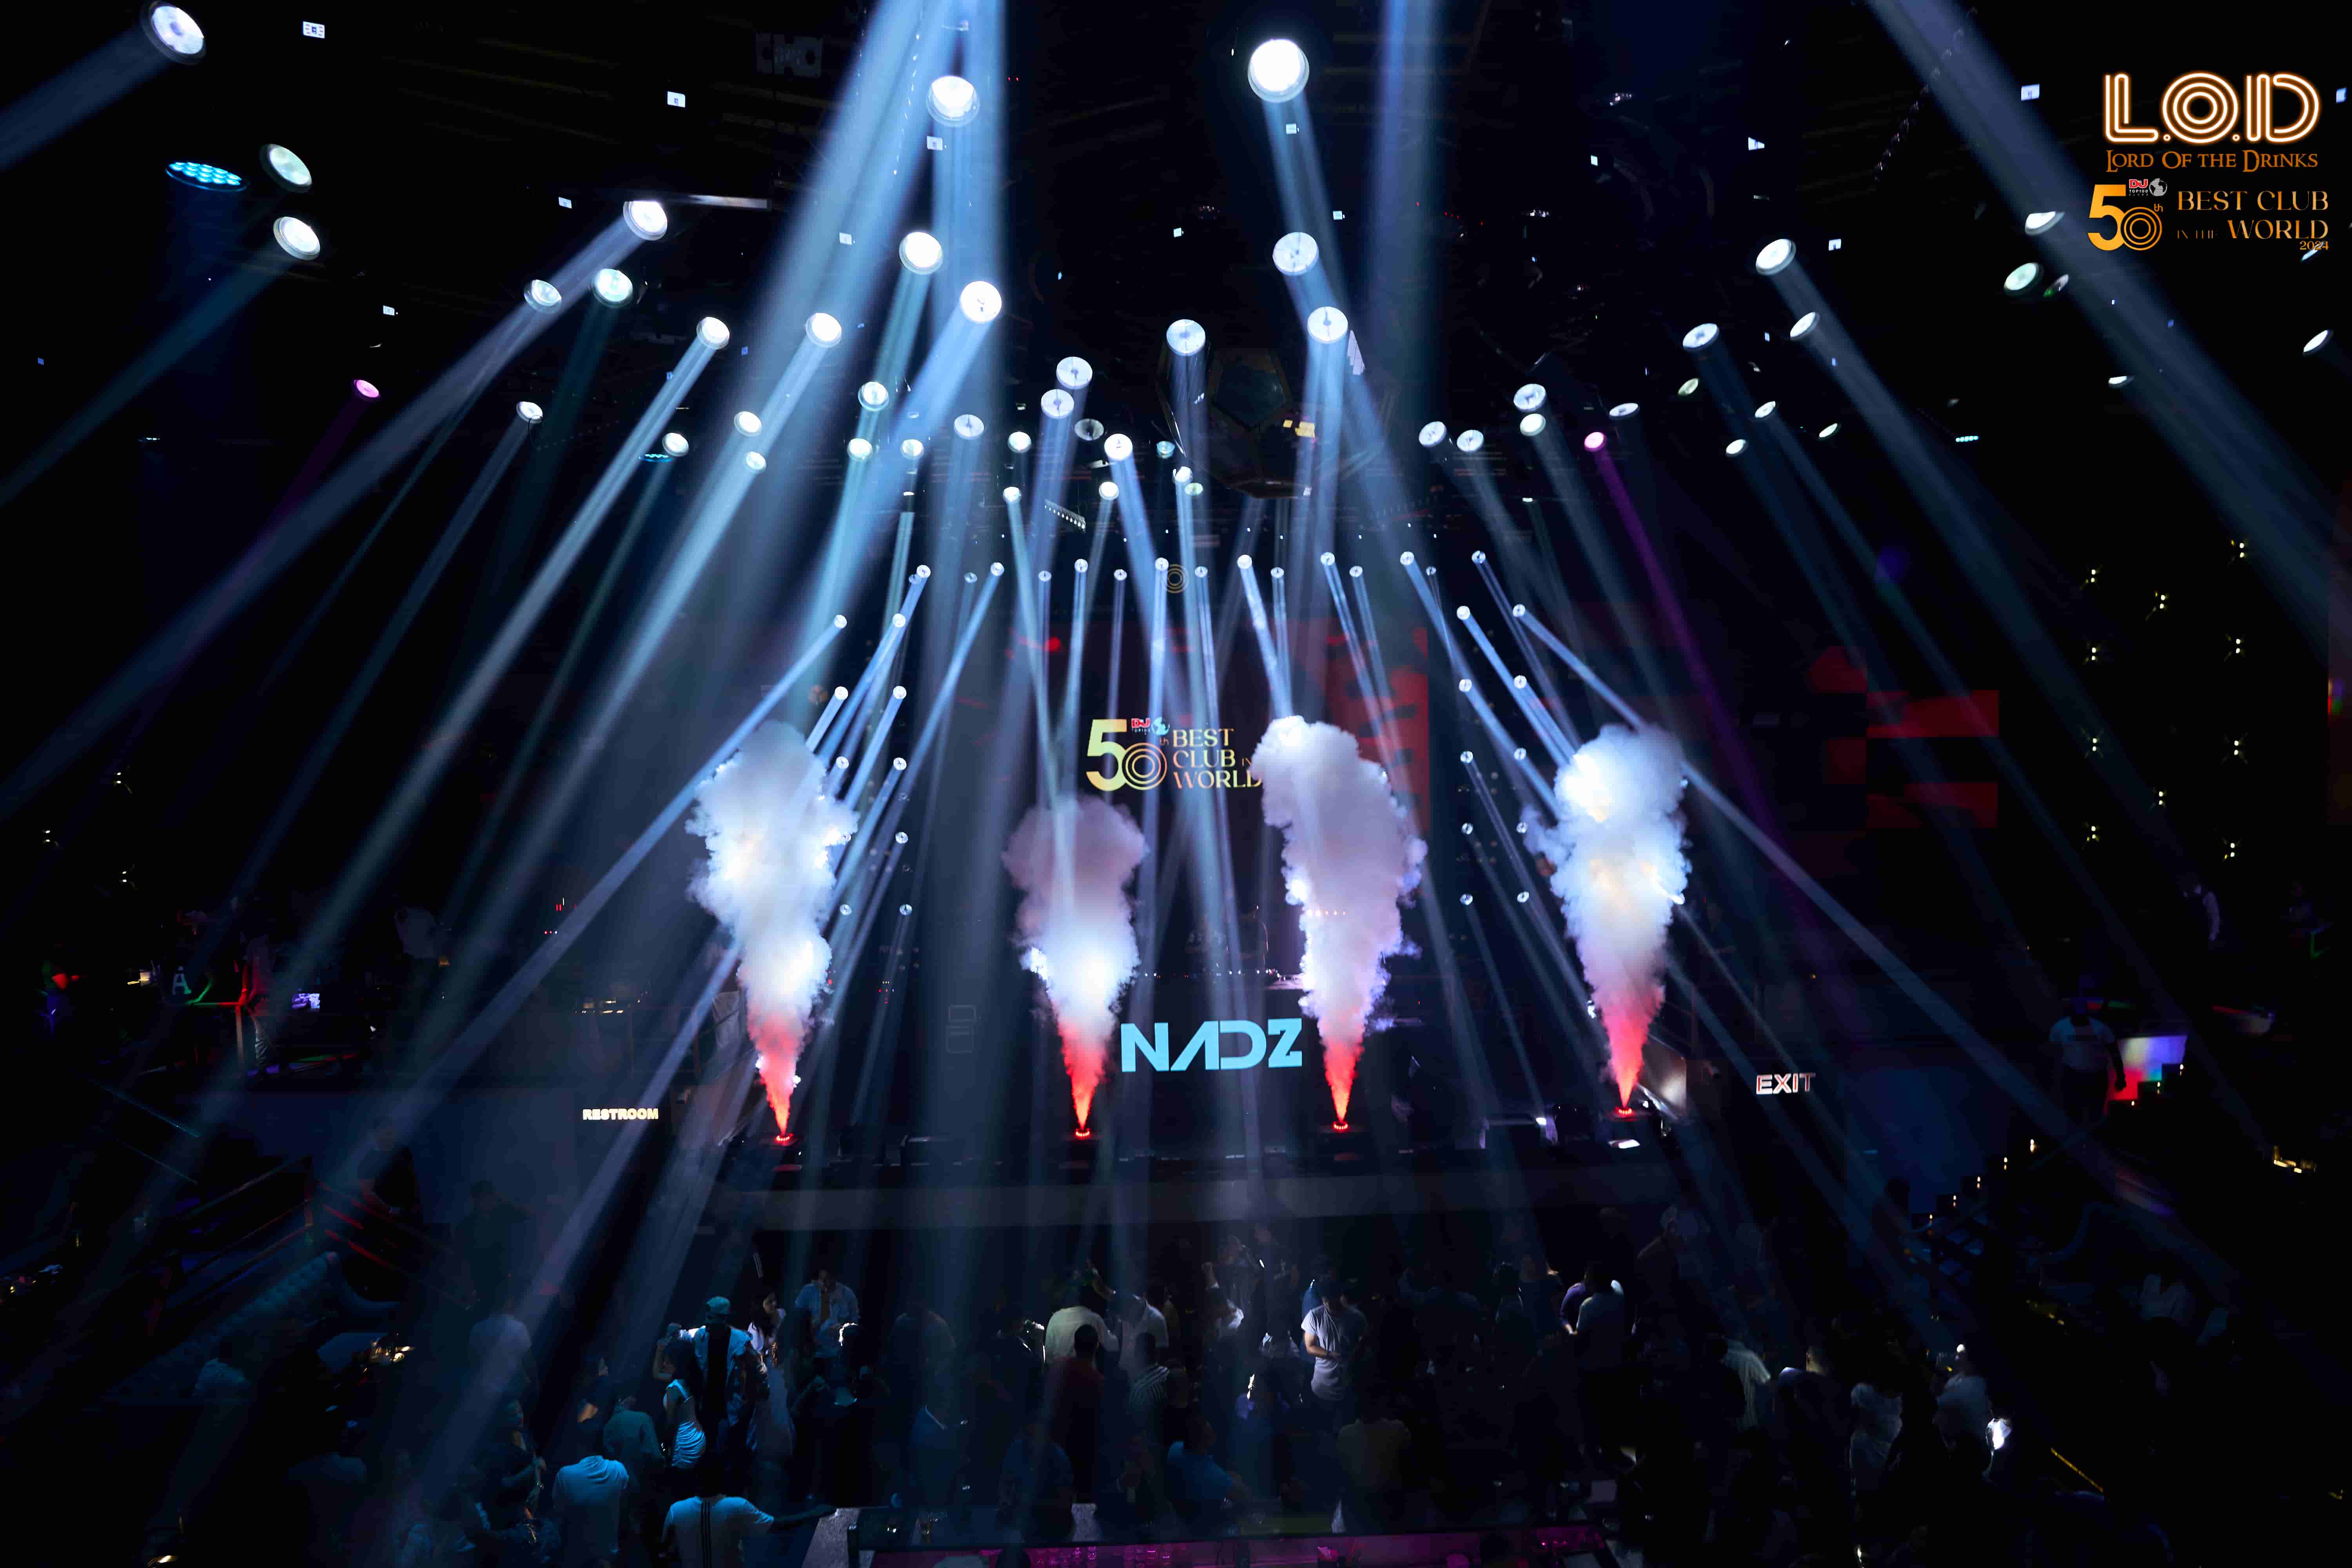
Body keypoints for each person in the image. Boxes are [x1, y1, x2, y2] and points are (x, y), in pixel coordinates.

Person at [661, 1465, 773, 1568]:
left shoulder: (676, 1510)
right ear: (723, 1480)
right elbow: (772, 1525)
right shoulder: (737, 1506)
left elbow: (664, 1552)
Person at [549, 1440, 631, 1568]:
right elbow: (627, 1509)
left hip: (574, 1558)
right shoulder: (618, 1469)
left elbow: (559, 1518)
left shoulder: (565, 1474)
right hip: (609, 1558)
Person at [1047, 1322, 1106, 1493]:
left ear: (1074, 1345)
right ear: (1096, 1348)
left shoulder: (1058, 1367)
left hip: (1055, 1443)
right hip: (1083, 1450)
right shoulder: (1099, 1382)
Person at [999, 1414, 1077, 1541]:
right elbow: (1004, 1485)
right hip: (1023, 1519)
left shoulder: (1059, 1458)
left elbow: (1066, 1501)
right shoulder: (1016, 1451)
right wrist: (1006, 1504)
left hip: (1051, 1521)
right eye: (1030, 1433)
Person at [456, 1180, 534, 1306]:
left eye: (491, 1197)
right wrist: (469, 1289)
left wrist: (504, 1202)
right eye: (484, 1197)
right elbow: (463, 1260)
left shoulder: (503, 1215)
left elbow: (529, 1214)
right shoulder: (466, 1227)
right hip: (482, 1281)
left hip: (506, 1278)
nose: (489, 1201)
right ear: (476, 1200)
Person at [1166, 1412, 1252, 1525]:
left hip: (1178, 1516)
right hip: (1201, 1525)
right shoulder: (1210, 1473)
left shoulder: (1175, 1448)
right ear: (1203, 1442)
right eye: (1210, 1433)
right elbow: (1243, 1495)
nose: (1215, 1435)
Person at [1301, 1279, 1367, 1419]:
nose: (1328, 1304)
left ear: (1340, 1297)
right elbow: (1310, 1347)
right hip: (1322, 1386)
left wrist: (1355, 1354)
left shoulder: (1356, 1318)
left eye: (1332, 1300)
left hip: (1348, 1385)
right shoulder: (1315, 1316)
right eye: (1325, 1301)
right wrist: (1331, 1355)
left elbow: (1365, 1341)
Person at [2049, 1007, 2123, 1129]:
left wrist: (2121, 1076)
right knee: (2073, 1114)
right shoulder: (2060, 1028)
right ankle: (2078, 1136)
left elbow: (2115, 1053)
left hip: (2096, 1077)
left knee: (2095, 1115)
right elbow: (2052, 1053)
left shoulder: (2101, 1028)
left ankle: (2092, 1136)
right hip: (2072, 1076)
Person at [790, 1263, 858, 1376]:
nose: (825, 1284)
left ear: (835, 1278)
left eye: (828, 1280)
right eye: (822, 1280)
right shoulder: (808, 1292)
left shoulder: (847, 1295)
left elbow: (855, 1323)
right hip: (811, 1356)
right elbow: (796, 1319)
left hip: (837, 1355)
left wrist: (842, 1329)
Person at [468, 1292, 533, 1397]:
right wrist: (535, 1384)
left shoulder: (477, 1328)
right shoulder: (520, 1328)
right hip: (512, 1392)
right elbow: (528, 1361)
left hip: (483, 1392)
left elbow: (472, 1361)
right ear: (509, 1303)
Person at [1044, 1283, 1118, 1364]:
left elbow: (1048, 1356)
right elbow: (1112, 1345)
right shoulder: (1094, 1318)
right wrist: (1118, 1326)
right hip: (1086, 1371)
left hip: (1058, 1371)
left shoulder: (1055, 1318)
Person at [1117, 1289, 1170, 1379]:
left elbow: (1162, 1354)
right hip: (1125, 1375)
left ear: (1134, 1308)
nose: (1125, 1321)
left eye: (1125, 1317)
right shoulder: (1125, 1311)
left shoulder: (1157, 1320)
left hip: (1147, 1379)